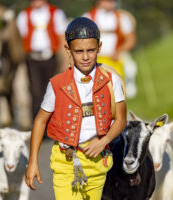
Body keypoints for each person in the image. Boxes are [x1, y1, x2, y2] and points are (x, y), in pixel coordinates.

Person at [25, 17, 127, 199]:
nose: (86, 57)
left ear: (99, 48)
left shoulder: (112, 81)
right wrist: (32, 161)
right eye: (79, 51)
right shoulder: (57, 84)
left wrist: (103, 141)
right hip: (65, 161)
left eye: (91, 50)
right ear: (68, 50)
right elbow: (40, 121)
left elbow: (120, 119)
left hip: (98, 162)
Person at [16, 0, 67, 122]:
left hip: (50, 57)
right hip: (32, 58)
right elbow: (19, 39)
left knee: (51, 90)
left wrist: (65, 60)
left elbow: (62, 38)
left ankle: (52, 123)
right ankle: (38, 123)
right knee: (35, 92)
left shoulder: (56, 13)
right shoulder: (24, 15)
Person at [83, 0, 138, 98]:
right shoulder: (87, 18)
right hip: (95, 59)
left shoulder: (121, 17)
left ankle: (129, 89)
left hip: (116, 56)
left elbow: (131, 40)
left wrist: (119, 51)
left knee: (130, 67)